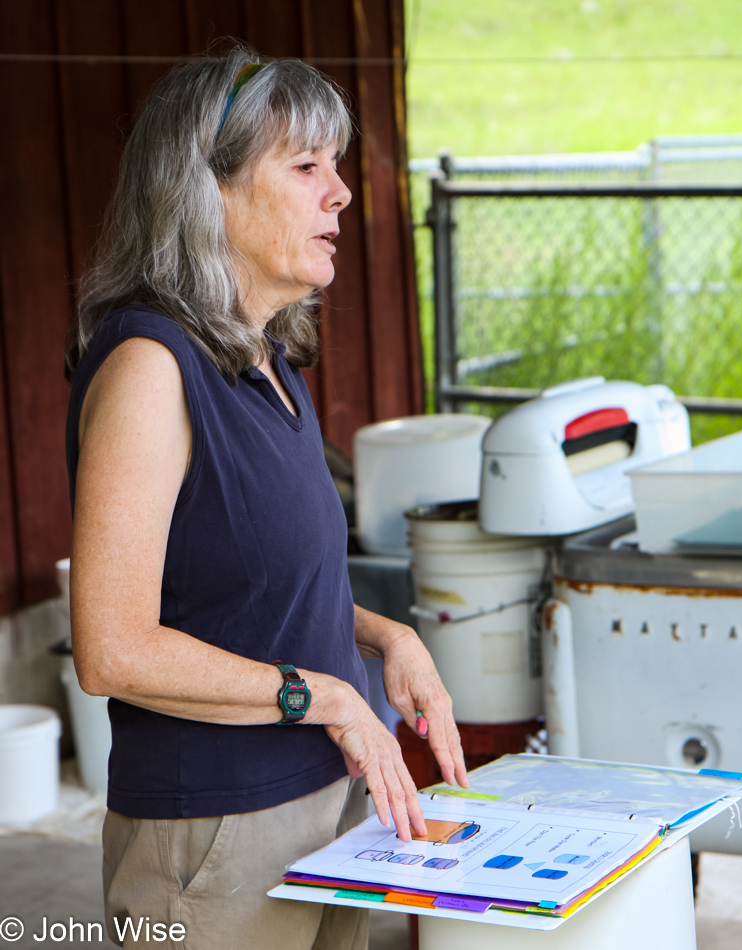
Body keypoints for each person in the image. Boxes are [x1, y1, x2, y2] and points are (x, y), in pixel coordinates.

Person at [64, 48, 468, 950]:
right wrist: (324, 696)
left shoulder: (265, 361)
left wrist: (385, 635)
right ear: (207, 192)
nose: (342, 194)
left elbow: (246, 584)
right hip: (212, 837)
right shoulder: (148, 370)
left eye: (338, 166)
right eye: (306, 167)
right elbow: (113, 649)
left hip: (328, 801)